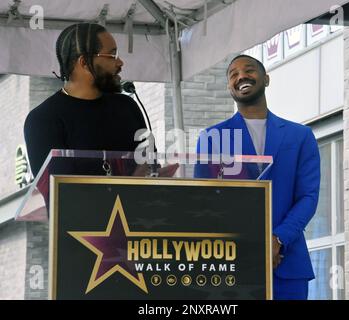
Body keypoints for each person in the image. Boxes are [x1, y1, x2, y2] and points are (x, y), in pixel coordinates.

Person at [194, 55, 320, 300]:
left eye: (249, 70)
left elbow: (308, 197)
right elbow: (205, 200)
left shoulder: (300, 136)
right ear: (230, 87)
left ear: (266, 79)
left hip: (287, 262)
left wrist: (278, 239)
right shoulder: (212, 138)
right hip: (232, 263)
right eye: (233, 74)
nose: (241, 76)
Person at [24, 23, 177, 178]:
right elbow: (58, 191)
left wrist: (153, 174)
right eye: (112, 56)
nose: (120, 62)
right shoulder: (43, 120)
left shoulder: (127, 107)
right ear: (84, 63)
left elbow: (149, 165)